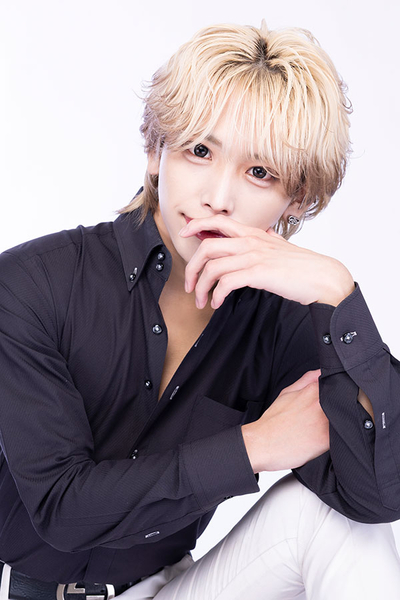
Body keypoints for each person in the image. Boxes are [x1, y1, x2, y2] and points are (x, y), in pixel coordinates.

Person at [0, 20, 400, 600]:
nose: (218, 197)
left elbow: (377, 499)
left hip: (167, 589)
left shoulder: (286, 319)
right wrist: (258, 444)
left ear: (296, 198)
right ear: (155, 150)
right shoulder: (31, 284)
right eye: (200, 151)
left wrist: (339, 295)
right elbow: (63, 509)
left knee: (340, 525)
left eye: (259, 172)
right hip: (24, 591)